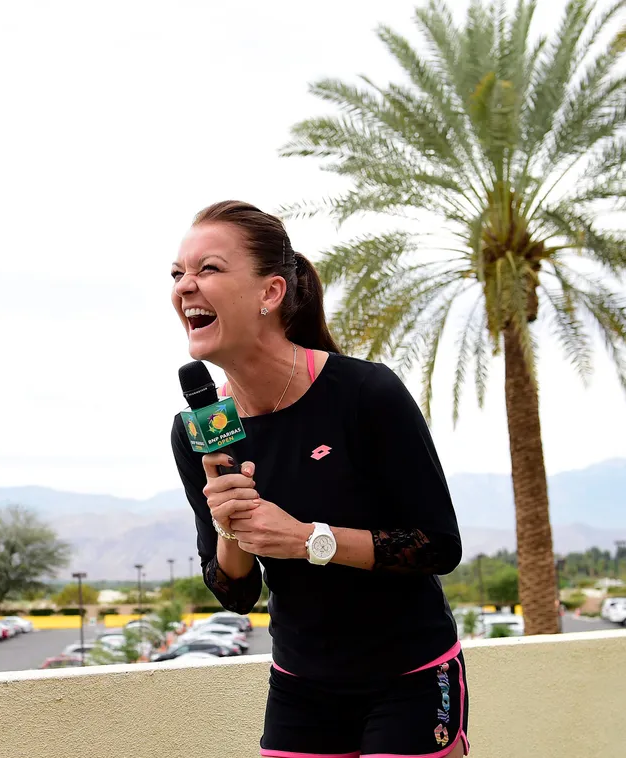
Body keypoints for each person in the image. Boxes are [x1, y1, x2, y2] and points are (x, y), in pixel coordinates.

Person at [168, 201, 469, 758]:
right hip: (302, 686)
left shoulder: (365, 395)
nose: (186, 285)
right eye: (177, 273)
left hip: (411, 675)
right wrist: (229, 524)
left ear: (271, 293)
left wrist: (309, 540)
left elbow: (439, 546)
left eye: (207, 268)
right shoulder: (198, 433)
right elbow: (235, 591)